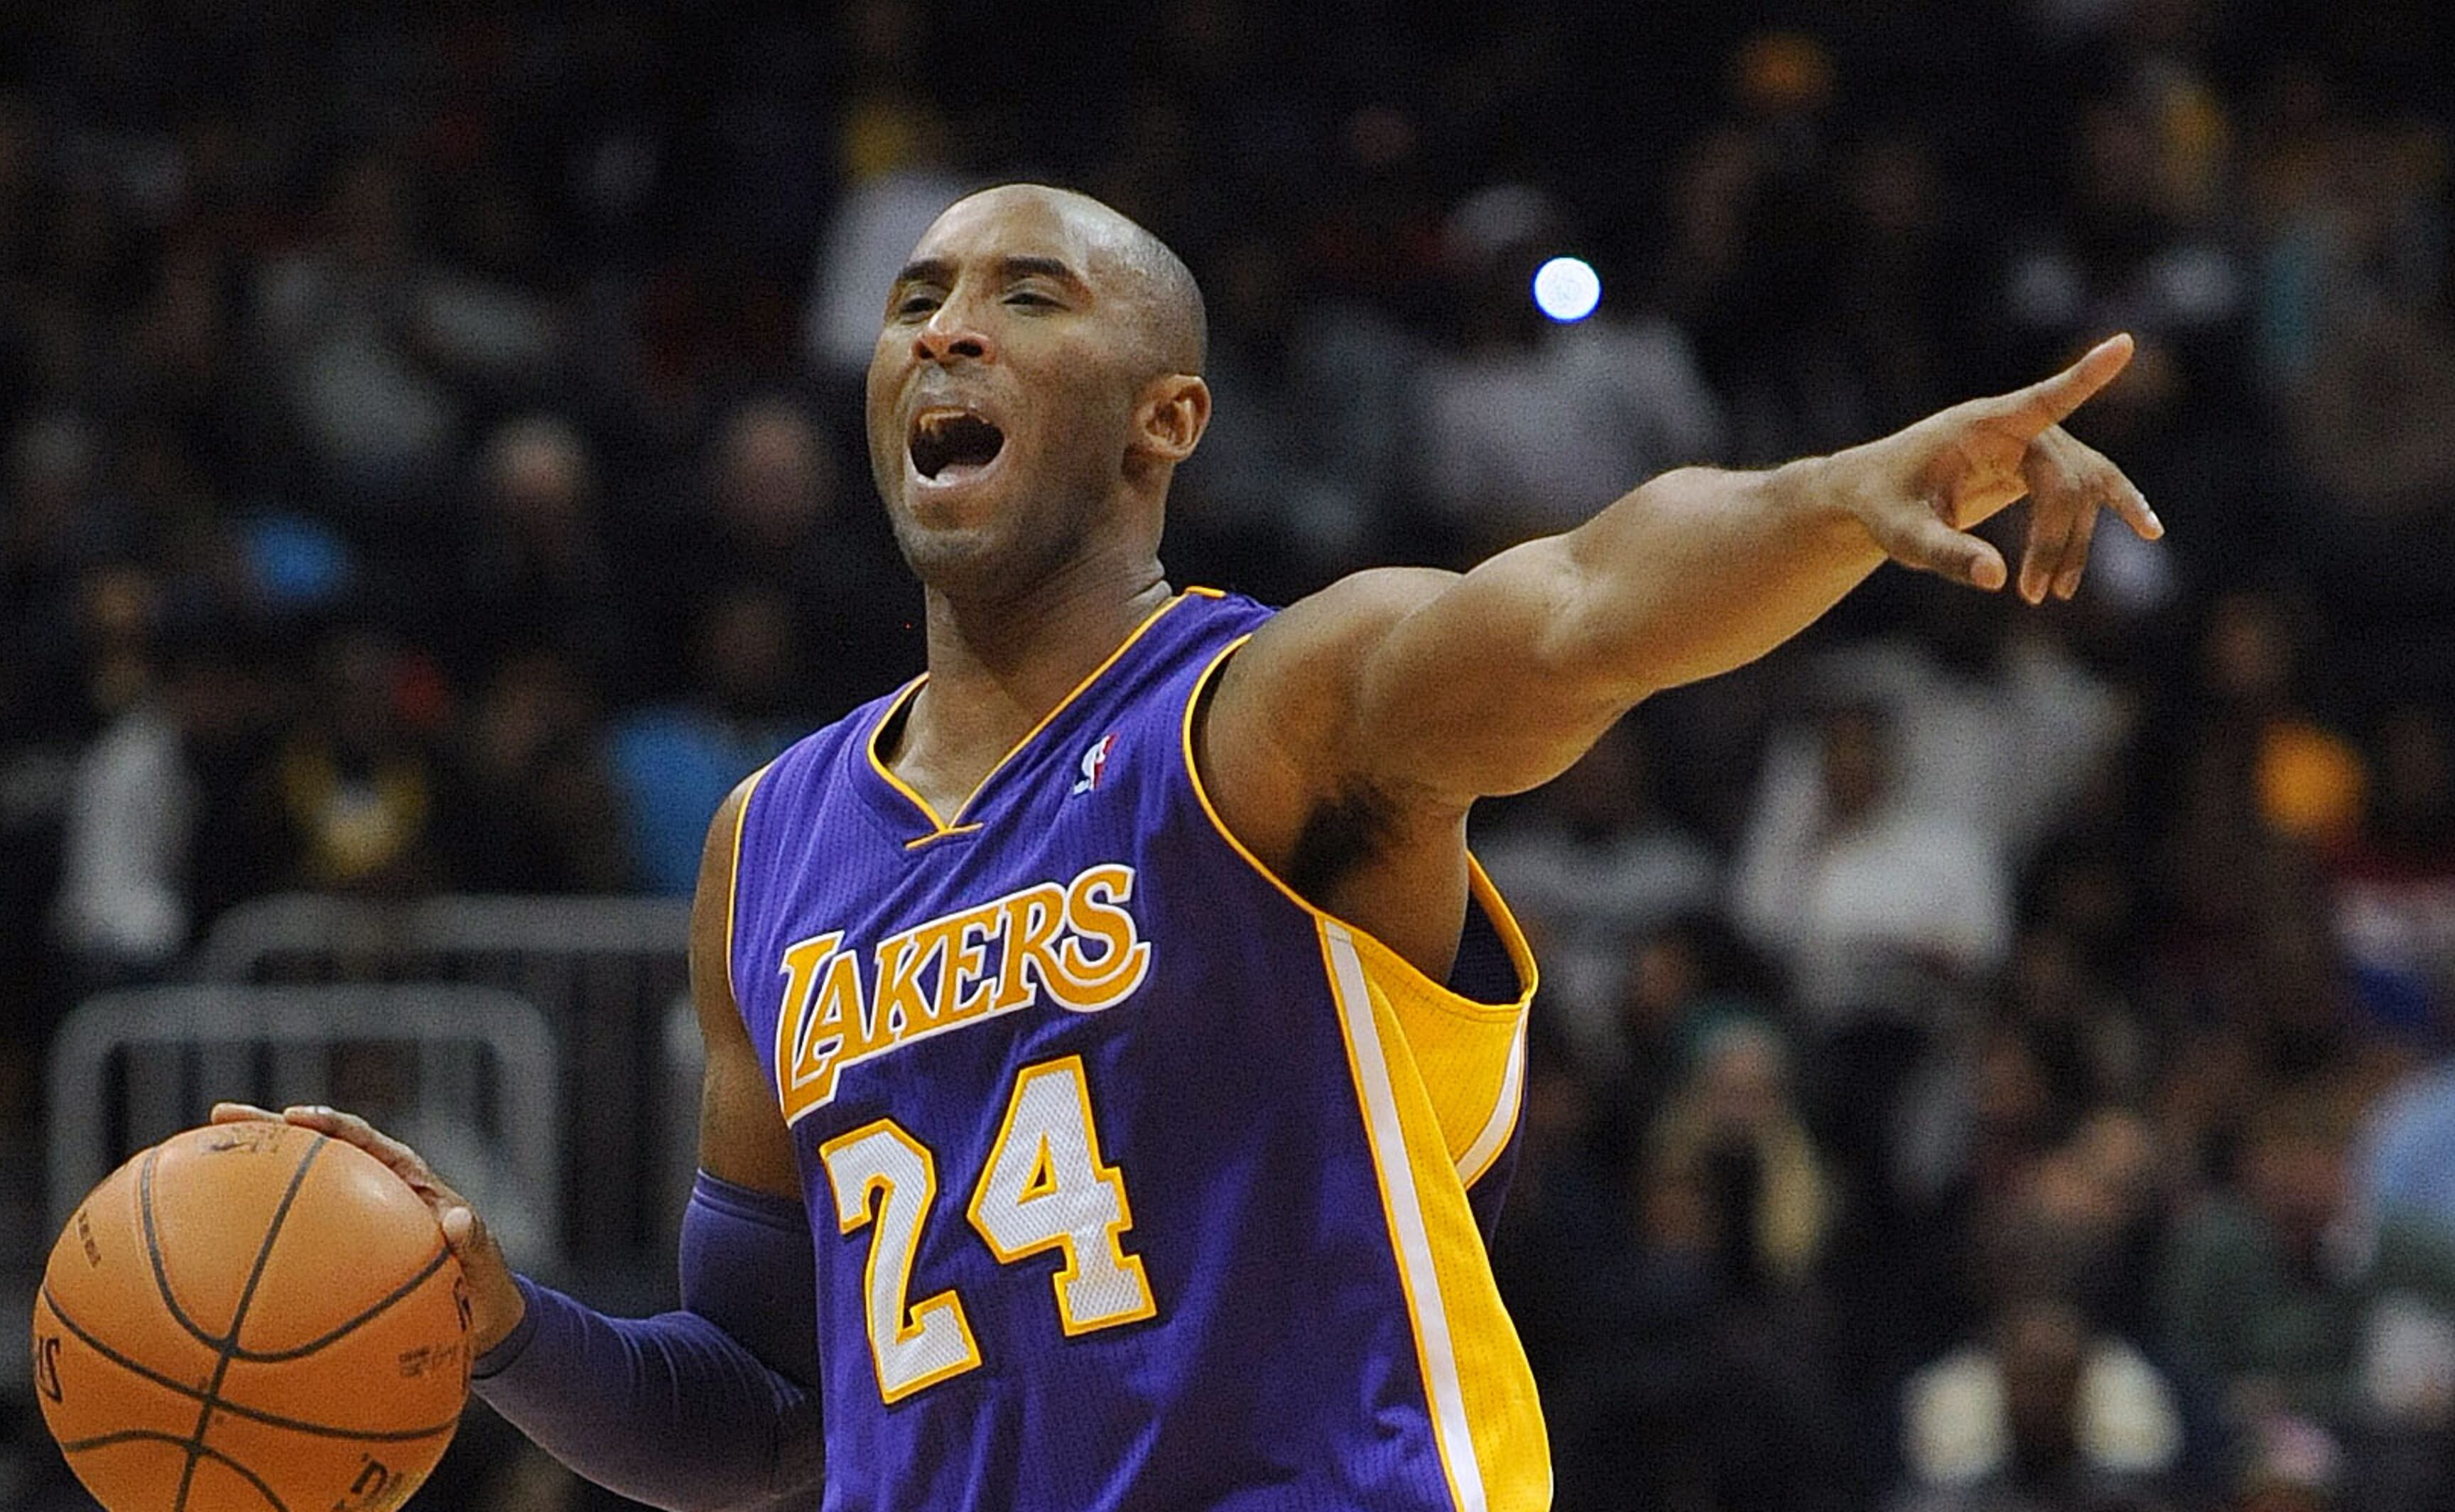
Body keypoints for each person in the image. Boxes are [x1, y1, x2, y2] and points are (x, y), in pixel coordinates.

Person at [217, 182, 2158, 1511]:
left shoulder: (1265, 719)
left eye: (1022, 300)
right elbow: (768, 1418)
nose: (947, 333)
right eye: (916, 308)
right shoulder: (768, 848)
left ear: (1168, 421)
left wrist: (1835, 494)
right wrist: (496, 1333)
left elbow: (1581, 604)